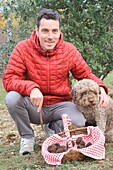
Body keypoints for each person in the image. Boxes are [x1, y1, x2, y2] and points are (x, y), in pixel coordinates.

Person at [2, 8, 109, 155]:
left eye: (54, 31)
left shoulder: (69, 50)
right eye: (45, 31)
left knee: (78, 122)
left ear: (59, 31)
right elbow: (9, 79)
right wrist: (31, 88)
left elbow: (86, 73)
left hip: (61, 105)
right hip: (35, 106)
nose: (50, 36)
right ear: (37, 30)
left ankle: (54, 128)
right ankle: (27, 137)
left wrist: (101, 87)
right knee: (12, 98)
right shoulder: (22, 49)